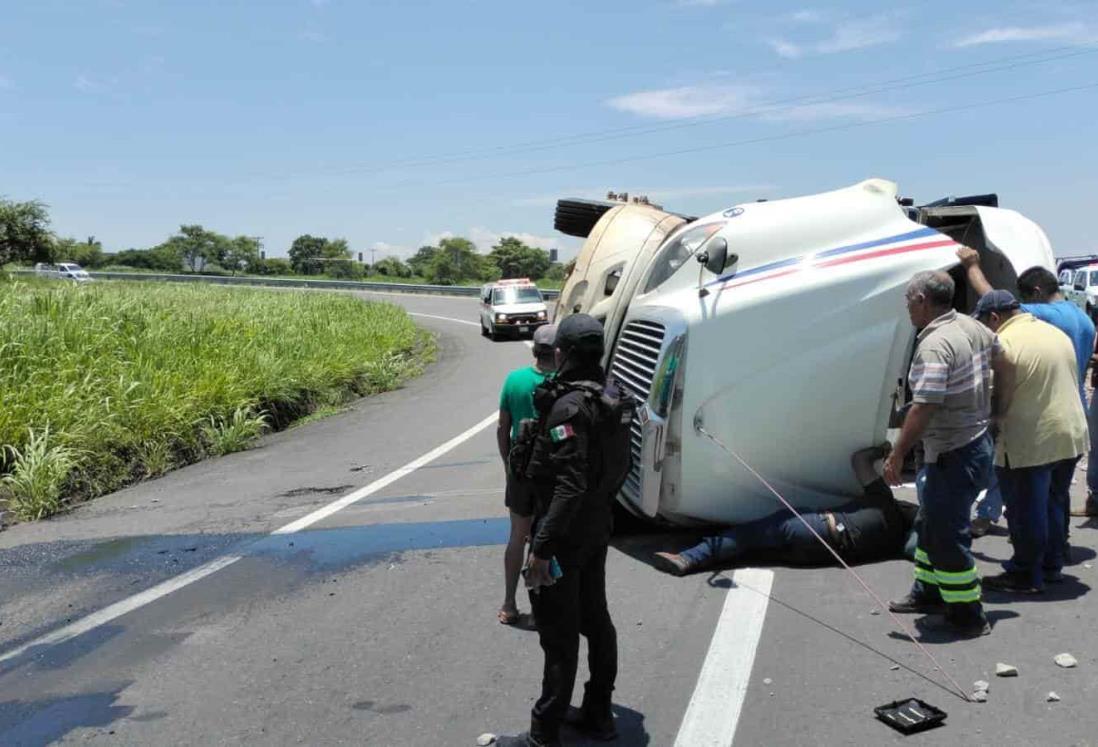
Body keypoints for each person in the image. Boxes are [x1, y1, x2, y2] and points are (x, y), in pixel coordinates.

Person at [501, 314, 621, 747]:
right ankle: (598, 715)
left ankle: (542, 735)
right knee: (597, 621)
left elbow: (569, 483)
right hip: (596, 527)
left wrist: (543, 549)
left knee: (559, 635)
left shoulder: (569, 406)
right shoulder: (610, 395)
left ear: (561, 353)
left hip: (564, 533)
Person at [884, 271, 1004, 638]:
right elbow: (1006, 358)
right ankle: (929, 591)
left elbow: (925, 405)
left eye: (908, 302)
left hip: (954, 452)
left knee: (948, 534)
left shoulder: (936, 344)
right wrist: (998, 407)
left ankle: (967, 614)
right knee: (930, 524)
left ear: (921, 300)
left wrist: (897, 454)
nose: (907, 309)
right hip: (970, 444)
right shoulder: (971, 326)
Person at [956, 248, 1096, 531]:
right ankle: (1054, 551)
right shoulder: (1082, 318)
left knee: (1020, 484)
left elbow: (995, 302)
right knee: (1055, 495)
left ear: (1035, 292)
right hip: (1073, 414)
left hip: (1039, 415)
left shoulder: (1047, 315)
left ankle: (1023, 552)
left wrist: (971, 265)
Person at [971, 290, 1088, 593]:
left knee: (1025, 509)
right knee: (1054, 502)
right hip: (1070, 433)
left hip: (1031, 439)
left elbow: (997, 397)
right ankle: (1051, 565)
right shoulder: (1055, 334)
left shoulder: (1005, 343)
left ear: (994, 318)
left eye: (984, 323)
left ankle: (1025, 573)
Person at [651, 445, 915, 574]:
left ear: (904, 507)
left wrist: (887, 448)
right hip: (813, 557)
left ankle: (690, 558)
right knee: (752, 547)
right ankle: (708, 552)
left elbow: (859, 459)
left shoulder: (883, 501)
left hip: (816, 530)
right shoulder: (893, 543)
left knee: (747, 536)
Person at [496, 324, 558, 625]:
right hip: (552, 471)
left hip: (520, 470)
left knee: (517, 536)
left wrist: (509, 465)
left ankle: (509, 604)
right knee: (543, 538)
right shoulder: (564, 382)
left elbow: (502, 428)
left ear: (535, 350)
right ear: (559, 351)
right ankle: (538, 610)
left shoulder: (514, 380)